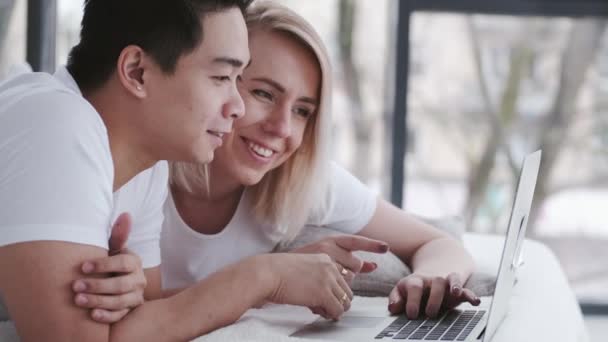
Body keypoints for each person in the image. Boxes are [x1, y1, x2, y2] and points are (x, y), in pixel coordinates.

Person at [0, 1, 359, 340]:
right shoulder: (55, 123)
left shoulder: (147, 165)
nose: (236, 105)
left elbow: (150, 318)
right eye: (221, 77)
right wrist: (263, 276)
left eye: (239, 79)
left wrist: (129, 297)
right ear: (136, 72)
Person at [157, 0, 480, 321]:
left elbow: (439, 242)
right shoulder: (145, 173)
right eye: (264, 94)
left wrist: (428, 280)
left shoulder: (298, 180)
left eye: (302, 111)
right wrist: (269, 278)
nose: (282, 128)